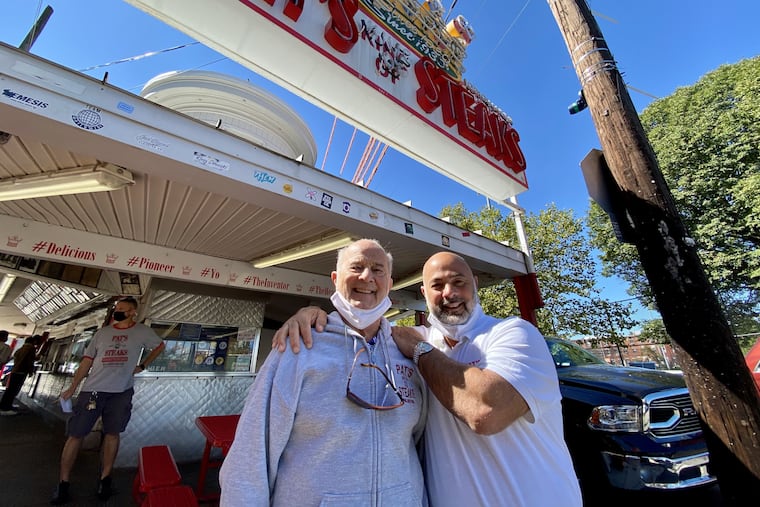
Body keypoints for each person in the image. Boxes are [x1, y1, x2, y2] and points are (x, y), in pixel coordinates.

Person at [275, 251, 583, 507]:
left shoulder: (512, 333)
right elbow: (365, 326)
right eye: (437, 285)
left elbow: (486, 412)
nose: (449, 293)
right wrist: (314, 317)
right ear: (424, 293)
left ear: (475, 285)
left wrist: (420, 351)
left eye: (458, 282)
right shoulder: (415, 340)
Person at [219, 239, 427, 506]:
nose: (367, 277)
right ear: (335, 278)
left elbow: (420, 443)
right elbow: (252, 453)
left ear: (389, 282)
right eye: (356, 267)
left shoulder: (410, 350)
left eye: (378, 270)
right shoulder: (298, 346)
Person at [50, 296, 165, 505]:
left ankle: (105, 478)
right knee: (76, 435)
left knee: (113, 433)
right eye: (116, 308)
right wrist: (73, 387)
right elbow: (86, 362)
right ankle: (63, 483)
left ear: (133, 312)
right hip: (92, 390)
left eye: (122, 309)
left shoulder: (142, 332)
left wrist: (143, 365)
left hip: (121, 391)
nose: (117, 311)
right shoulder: (102, 334)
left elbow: (159, 346)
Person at [0, 334, 41, 415]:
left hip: (15, 370)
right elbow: (30, 360)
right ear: (34, 342)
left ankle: (5, 405)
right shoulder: (31, 348)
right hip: (21, 371)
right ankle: (5, 408)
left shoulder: (21, 348)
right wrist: (30, 371)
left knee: (10, 389)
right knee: (13, 390)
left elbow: (16, 357)